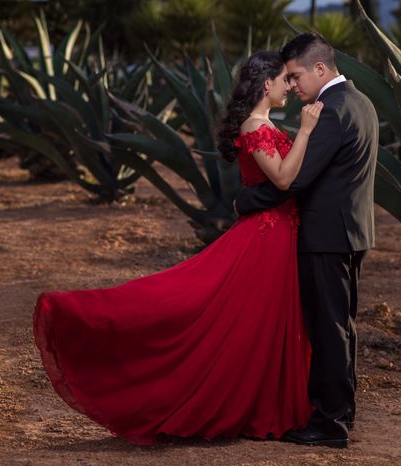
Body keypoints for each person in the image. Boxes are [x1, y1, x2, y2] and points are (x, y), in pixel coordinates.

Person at [33, 51, 323, 445]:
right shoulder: (255, 127)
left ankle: (265, 403)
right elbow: (284, 180)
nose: (290, 86)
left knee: (262, 325)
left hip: (279, 234)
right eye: (284, 80)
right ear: (265, 84)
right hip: (265, 238)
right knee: (222, 315)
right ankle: (79, 314)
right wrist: (305, 131)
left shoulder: (267, 124)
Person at [234, 33, 379, 449]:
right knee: (342, 328)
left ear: (320, 68)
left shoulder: (331, 110)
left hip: (326, 236)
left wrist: (245, 200)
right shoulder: (361, 101)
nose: (294, 85)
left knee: (328, 330)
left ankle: (330, 424)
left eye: (296, 75)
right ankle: (342, 413)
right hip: (352, 232)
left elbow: (293, 180)